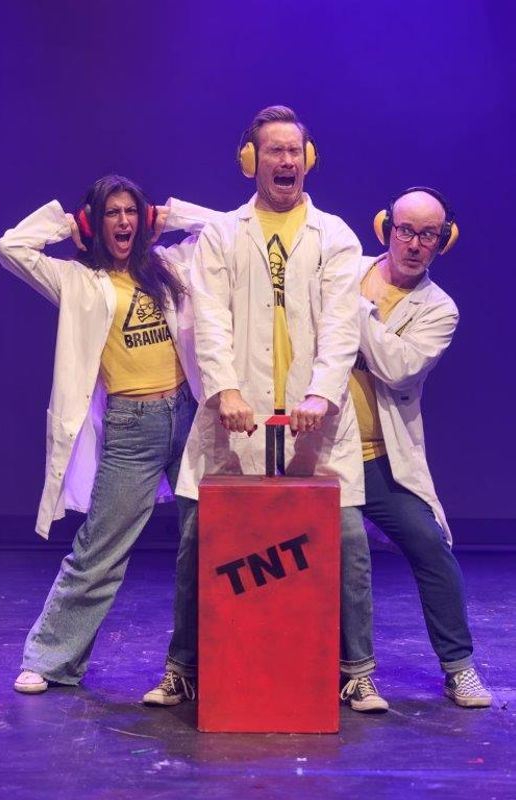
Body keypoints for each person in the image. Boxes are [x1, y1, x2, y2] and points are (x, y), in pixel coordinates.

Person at [143, 105, 389, 713]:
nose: (284, 161)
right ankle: (184, 667)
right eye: (272, 151)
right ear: (251, 161)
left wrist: (321, 394)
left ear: (306, 160)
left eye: (293, 151)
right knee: (200, 540)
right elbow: (211, 322)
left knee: (349, 541)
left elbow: (339, 328)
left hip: (314, 421)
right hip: (236, 420)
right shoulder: (224, 235)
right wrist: (224, 388)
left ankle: (356, 670)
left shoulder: (335, 235)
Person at [0, 175, 217, 694]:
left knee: (205, 541)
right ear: (96, 223)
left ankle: (190, 667)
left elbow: (227, 229)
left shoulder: (170, 265)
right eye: (111, 213)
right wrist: (66, 224)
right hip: (131, 427)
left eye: (131, 212)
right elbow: (11, 247)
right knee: (99, 549)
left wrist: (171, 212)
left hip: (188, 417)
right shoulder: (76, 279)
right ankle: (50, 660)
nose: (124, 222)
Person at [343, 186, 492, 708]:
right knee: (344, 553)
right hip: (321, 456)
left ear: (443, 241)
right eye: (405, 229)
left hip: (379, 458)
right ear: (385, 227)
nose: (413, 243)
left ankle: (459, 667)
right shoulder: (346, 267)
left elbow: (399, 367)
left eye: (427, 234)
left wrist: (355, 312)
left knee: (431, 547)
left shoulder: (439, 309)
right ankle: (352, 670)